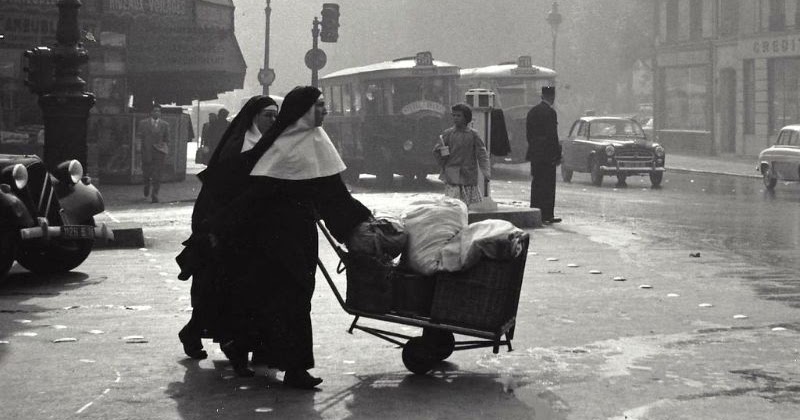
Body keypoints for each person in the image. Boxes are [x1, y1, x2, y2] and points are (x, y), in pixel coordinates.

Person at [178, 87, 372, 389]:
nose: (325, 111)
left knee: (295, 298)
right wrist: (216, 225)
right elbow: (252, 196)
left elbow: (334, 195)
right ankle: (286, 365)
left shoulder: (318, 141)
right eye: (319, 106)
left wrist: (363, 223)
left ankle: (283, 362)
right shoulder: (280, 147)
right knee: (280, 298)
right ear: (304, 111)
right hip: (268, 237)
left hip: (300, 236)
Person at [177, 95, 279, 361]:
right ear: (254, 117)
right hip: (226, 226)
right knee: (219, 287)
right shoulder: (239, 146)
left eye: (276, 116)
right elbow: (220, 191)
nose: (272, 121)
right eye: (268, 115)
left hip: (253, 227)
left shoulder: (269, 144)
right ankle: (196, 332)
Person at [433, 103, 490, 206]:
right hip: (451, 176)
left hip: (468, 176)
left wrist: (486, 172)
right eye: (454, 115)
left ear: (466, 117)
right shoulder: (448, 134)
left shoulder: (473, 135)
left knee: (464, 206)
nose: (455, 118)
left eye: (459, 116)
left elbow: (482, 154)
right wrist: (442, 155)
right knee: (451, 205)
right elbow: (436, 151)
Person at [526, 86, 562, 224]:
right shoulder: (551, 113)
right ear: (552, 97)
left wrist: (534, 148)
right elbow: (553, 135)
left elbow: (528, 134)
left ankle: (535, 212)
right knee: (548, 185)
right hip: (548, 155)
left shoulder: (532, 112)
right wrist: (557, 154)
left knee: (537, 183)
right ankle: (547, 214)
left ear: (542, 96)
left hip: (535, 153)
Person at [137, 104, 170, 203]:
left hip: (159, 153)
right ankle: (146, 185)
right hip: (146, 152)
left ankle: (155, 194)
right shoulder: (143, 123)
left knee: (158, 175)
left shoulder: (165, 125)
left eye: (158, 111)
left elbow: (167, 139)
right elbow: (139, 137)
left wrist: (163, 147)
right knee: (146, 173)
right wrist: (138, 149)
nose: (157, 113)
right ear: (151, 112)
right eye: (155, 111)